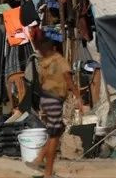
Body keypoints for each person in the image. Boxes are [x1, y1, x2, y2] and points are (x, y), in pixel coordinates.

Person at [25, 34, 82, 178]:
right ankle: (47, 172)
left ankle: (39, 159)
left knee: (57, 130)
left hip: (46, 99)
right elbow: (69, 80)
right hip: (55, 100)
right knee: (54, 137)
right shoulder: (59, 60)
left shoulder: (44, 63)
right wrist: (78, 97)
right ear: (55, 48)